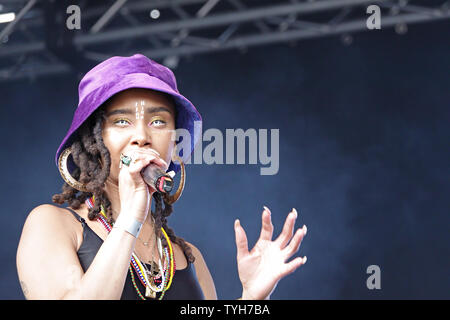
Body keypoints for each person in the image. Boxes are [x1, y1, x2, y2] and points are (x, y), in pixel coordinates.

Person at [16, 54, 307, 300]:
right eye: (121, 121)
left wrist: (252, 298)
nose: (141, 136)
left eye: (158, 122)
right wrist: (131, 216)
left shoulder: (187, 256)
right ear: (93, 140)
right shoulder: (53, 225)